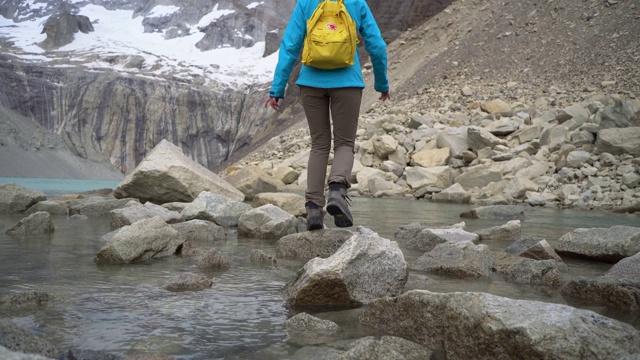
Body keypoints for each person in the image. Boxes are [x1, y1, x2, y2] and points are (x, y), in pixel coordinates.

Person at [265, 0, 390, 231]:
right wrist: (382, 83)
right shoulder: (356, 3)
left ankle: (313, 209)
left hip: (310, 84)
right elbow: (376, 44)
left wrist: (277, 90)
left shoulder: (307, 3)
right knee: (344, 143)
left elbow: (290, 45)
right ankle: (336, 191)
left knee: (319, 145)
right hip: (348, 83)